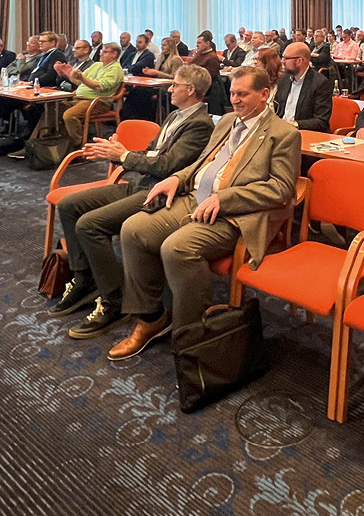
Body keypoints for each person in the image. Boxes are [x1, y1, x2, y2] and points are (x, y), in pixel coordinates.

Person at [109, 66, 301, 360]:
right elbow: (201, 163)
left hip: (233, 213)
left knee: (177, 248)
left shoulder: (283, 134)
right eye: (233, 93)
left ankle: (192, 334)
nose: (235, 100)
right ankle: (150, 319)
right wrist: (177, 178)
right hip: (195, 197)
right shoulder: (226, 122)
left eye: (243, 94)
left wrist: (225, 199)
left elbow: (281, 189)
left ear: (264, 95)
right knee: (134, 229)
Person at [51, 66, 215, 338]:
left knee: (89, 226)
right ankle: (84, 279)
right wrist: (115, 153)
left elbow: (166, 166)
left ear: (191, 90)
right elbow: (151, 152)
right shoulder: (175, 115)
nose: (170, 88)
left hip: (158, 194)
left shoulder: (200, 124)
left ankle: (114, 300)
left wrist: (125, 156)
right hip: (139, 182)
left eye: (175, 85)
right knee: (69, 206)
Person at [52, 43, 124, 148]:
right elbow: (78, 81)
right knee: (53, 108)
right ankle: (46, 142)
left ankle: (77, 146)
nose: (101, 54)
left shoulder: (115, 69)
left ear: (114, 54)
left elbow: (98, 87)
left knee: (70, 115)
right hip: (79, 98)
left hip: (97, 101)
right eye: (101, 51)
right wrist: (66, 72)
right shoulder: (96, 65)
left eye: (104, 51)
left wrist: (81, 78)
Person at [274, 42, 332, 131]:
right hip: (281, 130)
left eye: (286, 58)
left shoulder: (320, 83)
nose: (282, 61)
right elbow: (277, 109)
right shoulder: (284, 79)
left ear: (299, 61)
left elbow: (321, 121)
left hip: (303, 132)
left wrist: (294, 124)